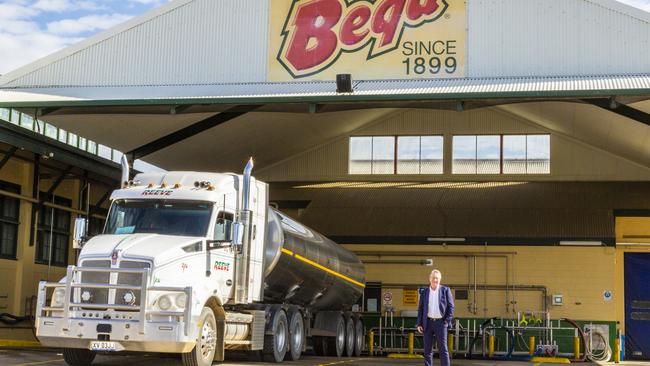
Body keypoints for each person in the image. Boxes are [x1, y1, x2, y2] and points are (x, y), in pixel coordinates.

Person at [416, 269, 454, 366]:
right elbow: (420, 309)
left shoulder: (445, 290)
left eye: (437, 278)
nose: (435, 280)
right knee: (427, 350)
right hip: (427, 323)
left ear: (440, 279)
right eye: (433, 278)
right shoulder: (424, 292)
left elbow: (451, 307)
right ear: (430, 279)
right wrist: (419, 323)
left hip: (440, 323)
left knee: (443, 349)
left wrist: (446, 321)